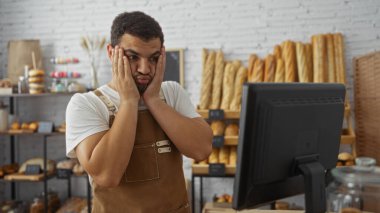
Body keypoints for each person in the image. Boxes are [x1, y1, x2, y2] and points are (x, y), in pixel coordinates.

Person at [65, 11, 213, 213]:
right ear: (111, 53)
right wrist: (129, 101)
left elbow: (202, 149)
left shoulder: (171, 93)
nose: (145, 69)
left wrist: (153, 100)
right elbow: (107, 175)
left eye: (153, 58)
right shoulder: (86, 104)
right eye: (133, 57)